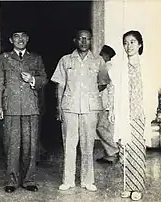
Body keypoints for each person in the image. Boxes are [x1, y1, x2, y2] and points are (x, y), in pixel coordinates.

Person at [51, 28, 105, 192]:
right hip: (70, 108)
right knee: (69, 144)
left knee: (88, 146)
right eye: (81, 38)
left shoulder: (98, 61)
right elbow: (60, 85)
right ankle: (68, 180)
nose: (84, 42)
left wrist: (90, 93)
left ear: (91, 41)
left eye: (87, 39)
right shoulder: (66, 60)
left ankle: (88, 181)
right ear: (75, 40)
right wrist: (59, 107)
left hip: (90, 109)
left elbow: (103, 82)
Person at [0, 29, 47, 193]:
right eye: (16, 36)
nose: (20, 39)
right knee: (12, 145)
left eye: (23, 36)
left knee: (30, 146)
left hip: (31, 108)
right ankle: (11, 180)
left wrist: (32, 80)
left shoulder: (36, 58)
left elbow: (44, 79)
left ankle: (29, 180)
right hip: (11, 108)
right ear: (11, 40)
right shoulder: (3, 58)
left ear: (28, 38)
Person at [112, 30, 146, 201]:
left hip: (139, 114)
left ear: (140, 44)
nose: (129, 46)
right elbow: (115, 91)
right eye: (126, 42)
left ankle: (137, 187)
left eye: (133, 42)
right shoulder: (120, 66)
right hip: (124, 113)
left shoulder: (145, 65)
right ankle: (127, 186)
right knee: (124, 149)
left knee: (137, 150)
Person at [96, 45, 120, 164]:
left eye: (101, 54)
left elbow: (102, 85)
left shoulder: (106, 67)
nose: (99, 56)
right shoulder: (111, 66)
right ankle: (110, 155)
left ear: (106, 56)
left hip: (106, 103)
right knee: (107, 129)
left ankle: (115, 151)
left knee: (100, 127)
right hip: (110, 103)